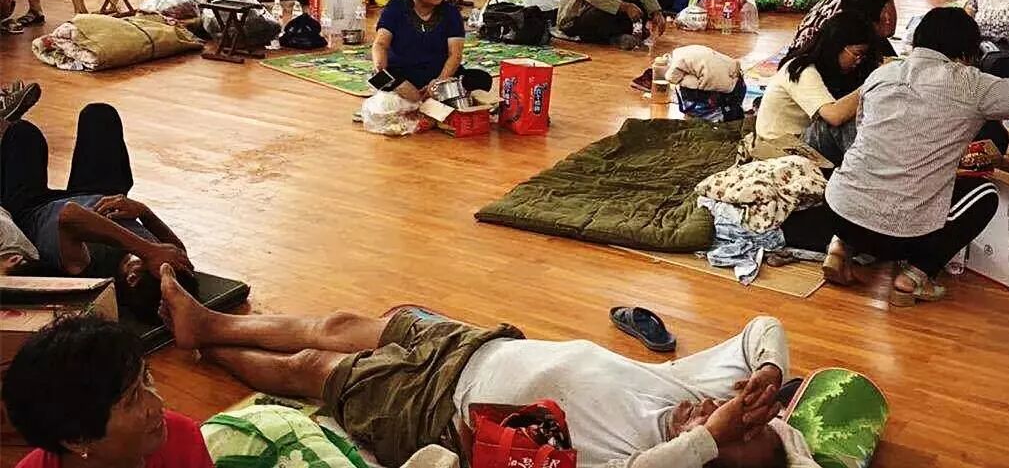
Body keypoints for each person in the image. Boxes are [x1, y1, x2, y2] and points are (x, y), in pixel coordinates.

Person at [158, 266, 812, 468]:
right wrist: (765, 376)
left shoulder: (639, 458)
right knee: (337, 324)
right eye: (742, 414)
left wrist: (708, 437)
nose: (720, 411)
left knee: (312, 367)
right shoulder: (688, 387)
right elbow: (765, 326)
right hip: (475, 344)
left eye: (728, 431)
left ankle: (210, 349)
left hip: (432, 410)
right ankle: (208, 324)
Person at [785, 7, 1009, 305]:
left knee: (867, 170)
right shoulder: (972, 84)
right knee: (985, 194)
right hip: (900, 238)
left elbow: (864, 129)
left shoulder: (882, 74)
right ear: (966, 51)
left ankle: (839, 249)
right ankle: (915, 277)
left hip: (838, 212)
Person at [0, 103, 198, 320]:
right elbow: (178, 249)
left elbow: (70, 214)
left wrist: (149, 250)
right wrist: (143, 211)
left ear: (132, 277)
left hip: (34, 208)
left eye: (152, 259)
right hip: (100, 196)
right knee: (100, 115)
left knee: (24, 134)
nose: (163, 252)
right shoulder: (165, 264)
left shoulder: (87, 270)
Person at [2, 315, 215, 468]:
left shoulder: (181, 438)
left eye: (146, 377)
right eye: (132, 399)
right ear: (78, 440)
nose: (157, 404)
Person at [756, 12, 876, 164]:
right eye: (857, 54)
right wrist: (874, 82)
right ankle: (863, 168)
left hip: (795, 141)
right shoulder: (803, 71)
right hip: (779, 147)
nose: (859, 61)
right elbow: (835, 116)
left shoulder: (829, 70)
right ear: (837, 46)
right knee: (843, 125)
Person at [372, 0, 491, 97]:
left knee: (481, 79)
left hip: (438, 73)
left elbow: (455, 55)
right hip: (402, 73)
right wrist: (387, 74)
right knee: (380, 79)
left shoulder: (450, 13)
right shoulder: (395, 8)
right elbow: (380, 44)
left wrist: (439, 82)